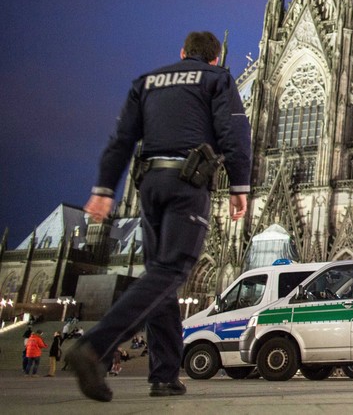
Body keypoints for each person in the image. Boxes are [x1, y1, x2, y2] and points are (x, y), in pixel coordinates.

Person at [67, 31, 252, 402]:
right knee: (172, 271)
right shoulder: (217, 79)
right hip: (187, 181)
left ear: (182, 53)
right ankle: (93, 346)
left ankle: (165, 374)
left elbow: (120, 140)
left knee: (161, 278)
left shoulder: (147, 81)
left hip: (148, 184)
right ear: (216, 58)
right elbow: (234, 133)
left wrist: (103, 189)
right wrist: (239, 185)